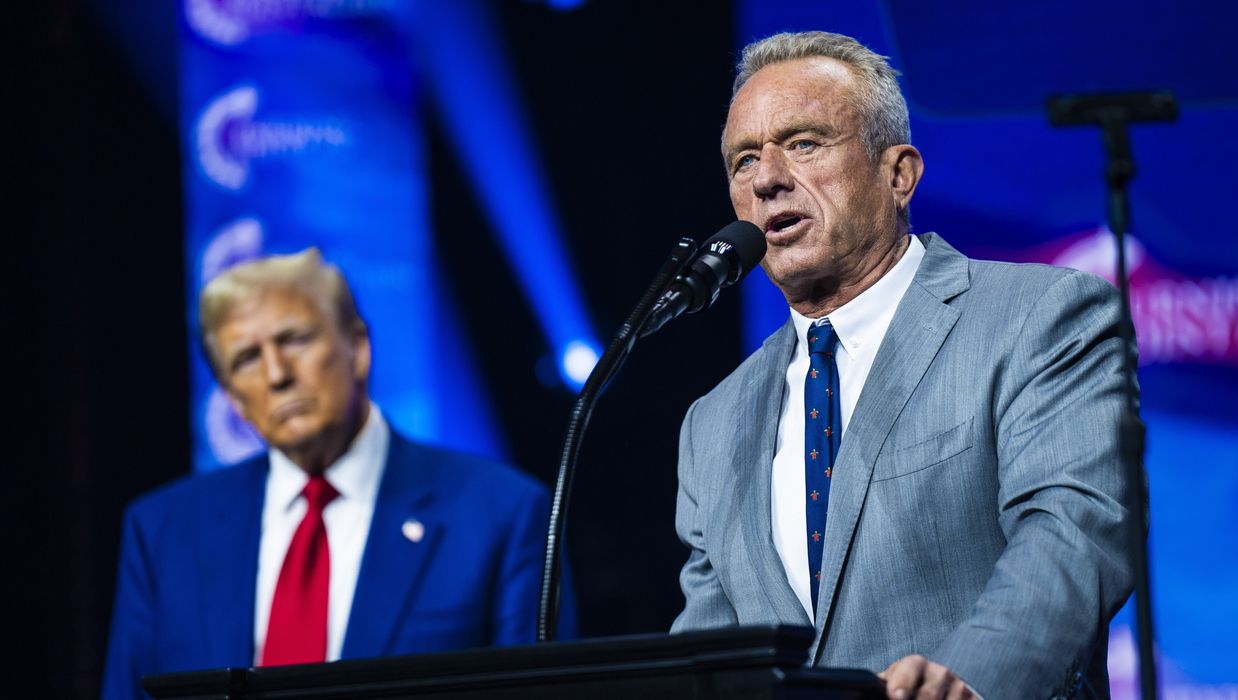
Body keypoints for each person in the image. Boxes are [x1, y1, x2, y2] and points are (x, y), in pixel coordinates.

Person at [670, 31, 1138, 700]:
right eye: (744, 160)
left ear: (898, 175)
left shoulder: (1038, 316)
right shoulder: (710, 424)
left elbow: (1073, 531)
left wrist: (970, 678)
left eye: (803, 144)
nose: (768, 178)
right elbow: (710, 657)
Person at [102, 249, 572, 699]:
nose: (277, 374)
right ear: (232, 399)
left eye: (295, 339)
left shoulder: (500, 514)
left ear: (358, 348)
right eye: (246, 359)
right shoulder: (164, 531)